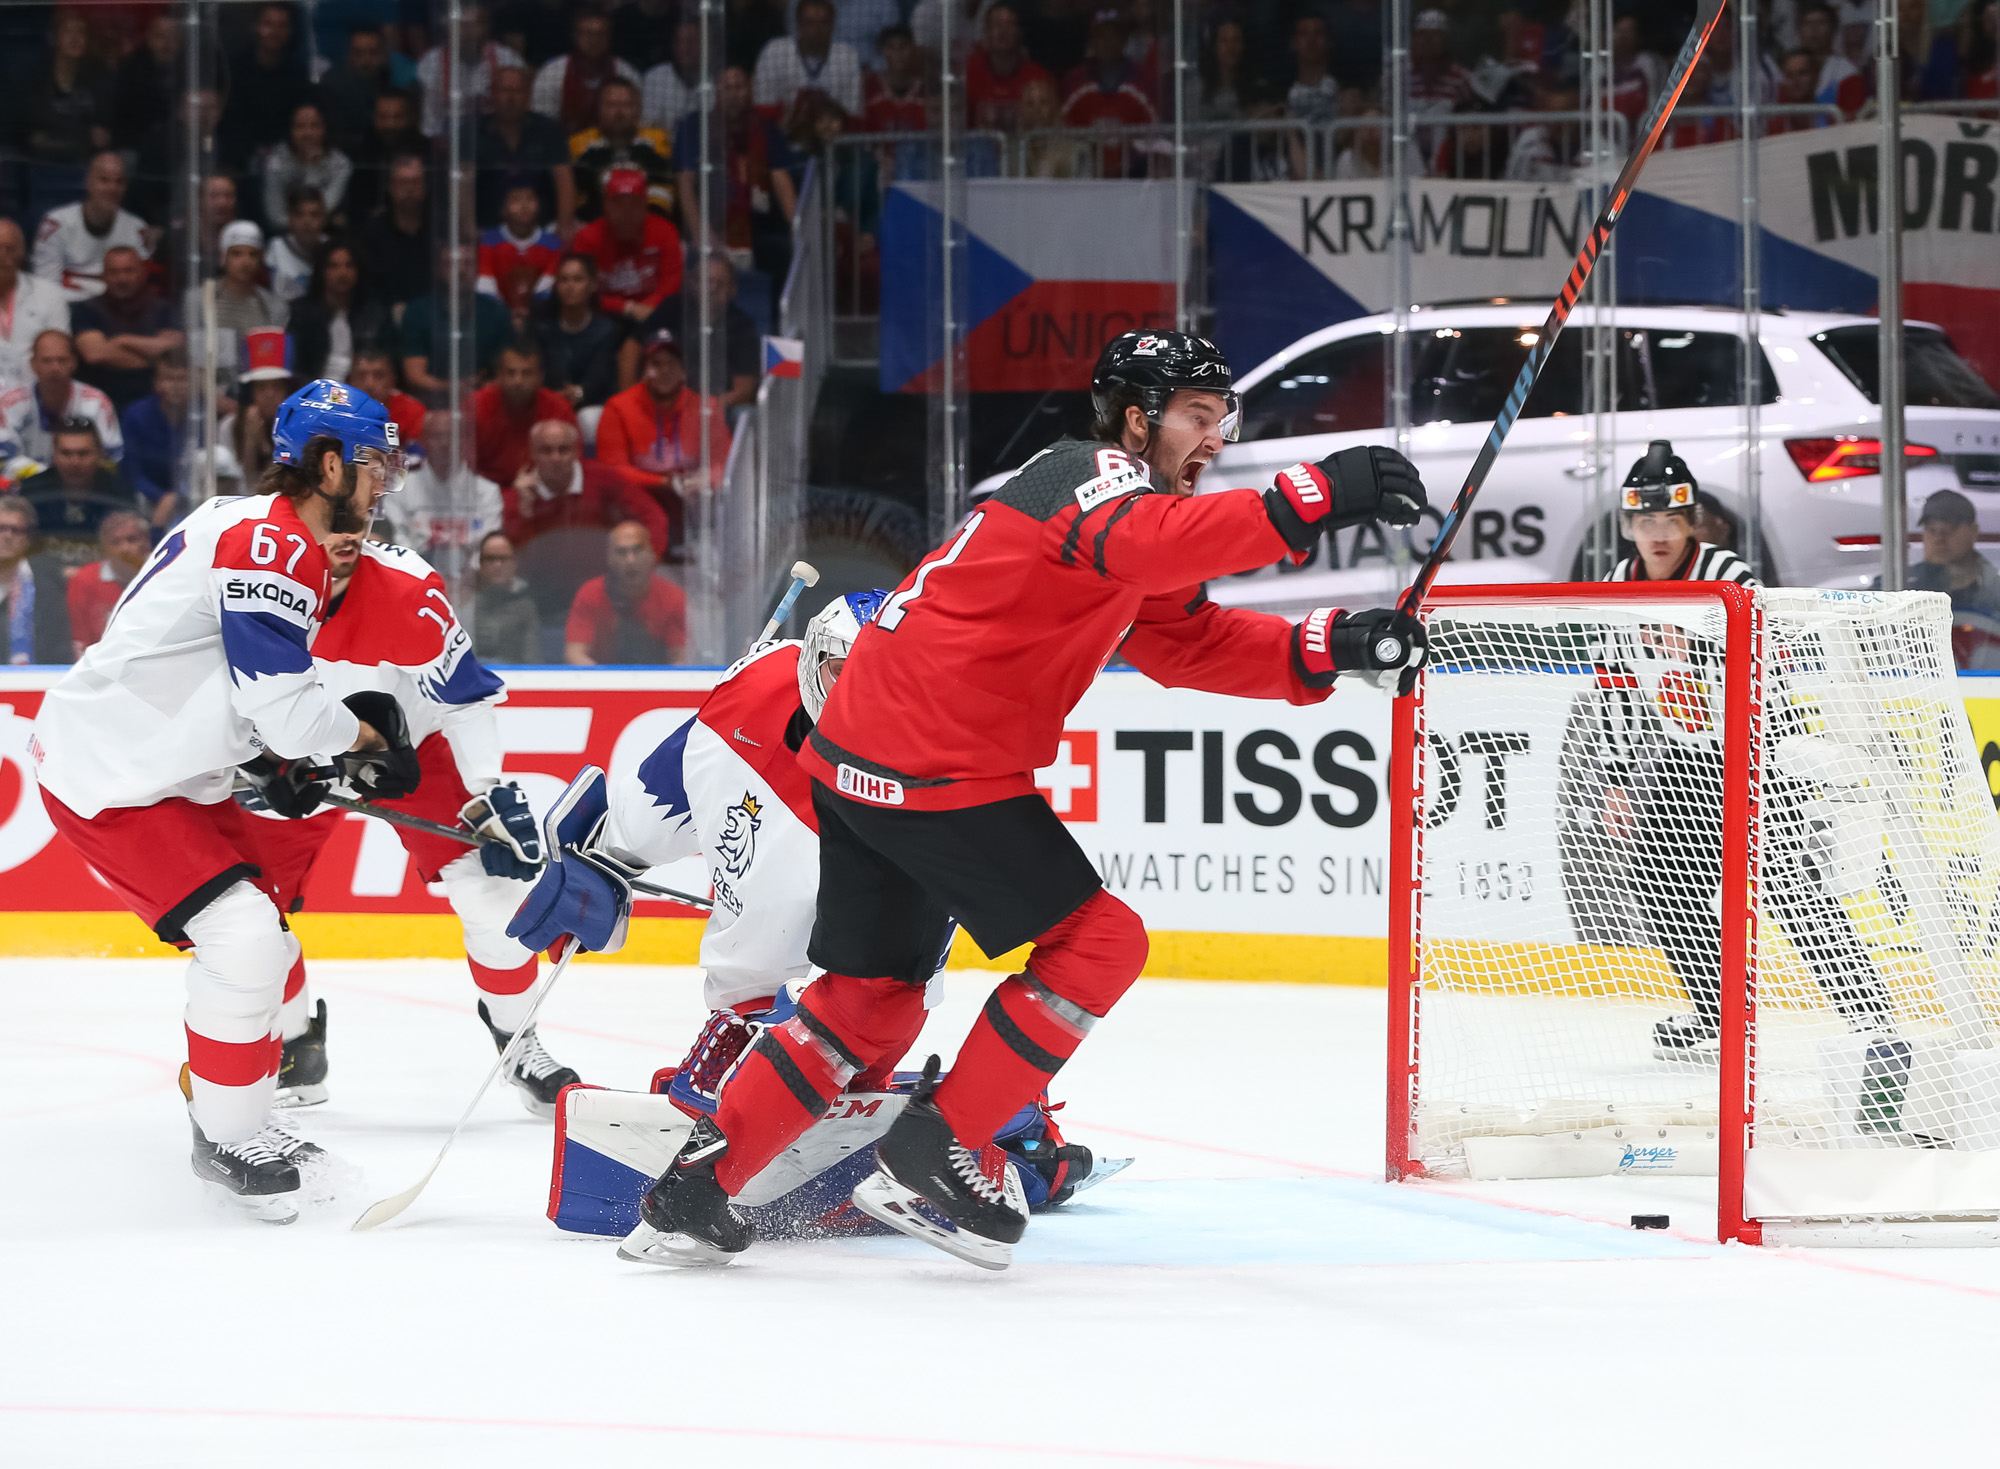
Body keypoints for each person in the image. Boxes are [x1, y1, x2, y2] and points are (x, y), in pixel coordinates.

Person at [603, 329, 1432, 1268]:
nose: (1217, 437)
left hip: (865, 758)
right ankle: (938, 1144)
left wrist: (1327, 646)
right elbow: (1159, 541)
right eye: (1200, 416)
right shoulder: (1088, 476)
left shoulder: (1123, 517)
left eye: (1223, 419)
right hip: (934, 759)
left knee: (867, 1003)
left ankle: (692, 1197)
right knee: (1102, 941)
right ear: (1136, 417)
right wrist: (1320, 493)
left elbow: (1183, 639)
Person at [514, 594, 1113, 1252]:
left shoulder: (934, 738)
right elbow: (667, 783)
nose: (861, 697)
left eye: (884, 678)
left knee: (889, 1003)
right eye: (844, 674)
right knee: (780, 973)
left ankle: (943, 1108)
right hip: (780, 803)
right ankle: (736, 1062)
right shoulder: (754, 691)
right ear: (809, 662)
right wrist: (598, 855)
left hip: (882, 836)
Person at [33, 379, 420, 1218]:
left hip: (161, 765)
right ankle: (227, 1130)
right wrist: (362, 742)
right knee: (242, 935)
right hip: (116, 775)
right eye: (373, 466)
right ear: (327, 464)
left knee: (267, 941)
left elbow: (235, 691)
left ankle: (227, 1107)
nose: (383, 484)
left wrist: (277, 761)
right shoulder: (275, 546)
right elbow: (277, 699)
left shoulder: (252, 526)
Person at [1587, 441, 1905, 1108]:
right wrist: (1617, 776)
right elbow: (1614, 680)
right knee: (1657, 876)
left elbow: (1774, 667)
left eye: (1671, 521)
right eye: (1645, 522)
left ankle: (1874, 1020)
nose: (1658, 534)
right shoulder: (1616, 586)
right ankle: (1716, 1008)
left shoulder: (1732, 574)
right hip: (1685, 760)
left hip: (1756, 756)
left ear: (1692, 521)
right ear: (1627, 526)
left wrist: (1772, 756)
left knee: (1795, 893)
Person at [238, 528, 582, 1117]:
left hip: (407, 751)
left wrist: (486, 789)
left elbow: (464, 696)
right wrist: (252, 759)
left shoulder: (408, 587)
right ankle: (296, 1043)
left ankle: (517, 1042)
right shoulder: (250, 578)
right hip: (295, 761)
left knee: (495, 897)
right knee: (246, 911)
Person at [503, 417, 669, 615]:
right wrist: (525, 512)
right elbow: (509, 562)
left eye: (563, 450)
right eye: (546, 450)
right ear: (533, 454)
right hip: (540, 598)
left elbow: (653, 517)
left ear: (576, 452)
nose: (555, 458)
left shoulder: (603, 479)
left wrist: (648, 560)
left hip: (605, 595)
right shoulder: (519, 497)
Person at [676, 67, 797, 283]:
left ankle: (780, 314)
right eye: (727, 88)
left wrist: (798, 227)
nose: (733, 94)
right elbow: (684, 182)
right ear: (716, 91)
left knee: (786, 250)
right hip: (708, 222)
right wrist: (700, 232)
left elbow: (781, 179)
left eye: (739, 87)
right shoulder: (694, 126)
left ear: (749, 89)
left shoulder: (766, 129)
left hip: (755, 226)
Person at [596, 329, 731, 501]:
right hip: (638, 500)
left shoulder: (706, 407)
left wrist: (706, 479)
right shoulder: (618, 408)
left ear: (684, 371)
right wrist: (664, 482)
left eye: (672, 363)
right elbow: (613, 470)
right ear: (643, 372)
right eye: (656, 364)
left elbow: (724, 462)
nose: (665, 370)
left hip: (695, 501)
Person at [16, 418, 139, 569]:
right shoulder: (32, 491)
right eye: (66, 453)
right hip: (40, 578)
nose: (74, 462)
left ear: (99, 454)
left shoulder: (119, 494)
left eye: (83, 453)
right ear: (54, 454)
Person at [72, 246, 184, 412]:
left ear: (143, 272)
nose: (122, 279)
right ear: (103, 276)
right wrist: (153, 355)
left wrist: (121, 340)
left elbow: (175, 349)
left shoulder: (164, 309)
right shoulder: (86, 309)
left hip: (154, 402)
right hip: (99, 402)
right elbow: (94, 354)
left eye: (129, 271)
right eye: (114, 272)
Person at [399, 244, 517, 398]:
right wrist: (455, 387)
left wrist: (485, 387)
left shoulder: (495, 310)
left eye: (467, 264)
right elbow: (414, 376)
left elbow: (509, 369)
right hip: (432, 402)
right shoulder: (418, 312)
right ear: (439, 269)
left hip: (486, 399)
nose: (460, 271)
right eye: (452, 264)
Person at [391, 408, 507, 564]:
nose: (445, 443)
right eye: (437, 436)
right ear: (422, 440)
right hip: (416, 575)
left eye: (452, 436)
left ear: (464, 442)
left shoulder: (487, 492)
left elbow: (488, 549)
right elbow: (397, 543)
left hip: (473, 581)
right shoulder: (400, 489)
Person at [33, 152, 152, 304]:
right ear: (88, 181)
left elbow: (139, 288)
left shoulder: (137, 229)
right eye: (104, 180)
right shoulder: (56, 223)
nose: (112, 188)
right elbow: (45, 288)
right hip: (68, 310)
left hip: (119, 312)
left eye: (119, 182)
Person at [563, 520, 687, 664]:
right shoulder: (589, 594)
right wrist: (607, 683)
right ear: (610, 559)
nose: (630, 560)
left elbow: (681, 661)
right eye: (622, 552)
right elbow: (574, 654)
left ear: (652, 555)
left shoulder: (674, 598)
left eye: (637, 550)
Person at [570, 170, 686, 323]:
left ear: (644, 204)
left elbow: (671, 285)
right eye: (618, 204)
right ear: (607, 206)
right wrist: (627, 307)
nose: (626, 213)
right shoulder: (587, 238)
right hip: (603, 318)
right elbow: (581, 290)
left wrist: (647, 308)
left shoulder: (665, 232)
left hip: (655, 314)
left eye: (633, 204)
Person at [474, 65, 576, 235]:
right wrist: (468, 227)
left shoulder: (548, 129)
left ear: (528, 96)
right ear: (492, 95)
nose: (511, 98)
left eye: (517, 91)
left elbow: (563, 178)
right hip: (487, 227)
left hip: (542, 228)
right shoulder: (474, 131)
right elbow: (463, 182)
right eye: (504, 91)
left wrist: (564, 225)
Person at [1, 330, 124, 465]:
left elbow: (111, 458)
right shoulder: (9, 403)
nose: (55, 368)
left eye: (62, 360)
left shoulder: (96, 402)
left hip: (82, 483)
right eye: (46, 361)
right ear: (33, 364)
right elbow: (4, 457)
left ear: (74, 363)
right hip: (25, 483)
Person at [218, 2, 312, 171]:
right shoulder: (236, 70)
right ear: (256, 26)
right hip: (242, 157)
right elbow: (231, 120)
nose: (275, 32)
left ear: (290, 31)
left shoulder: (297, 74)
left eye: (281, 25)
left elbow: (299, 118)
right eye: (268, 24)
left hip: (288, 158)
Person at [570, 77, 677, 223]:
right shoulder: (579, 144)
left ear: (637, 110)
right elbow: (579, 202)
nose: (619, 112)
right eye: (611, 105)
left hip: (646, 228)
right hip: (595, 228)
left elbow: (662, 194)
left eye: (627, 105)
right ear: (599, 109)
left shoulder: (657, 140)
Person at [472, 337, 578, 485]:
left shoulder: (559, 410)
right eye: (510, 373)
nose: (518, 381)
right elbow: (462, 470)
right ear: (499, 376)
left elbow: (571, 467)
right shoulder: (475, 406)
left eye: (526, 373)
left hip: (543, 493)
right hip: (485, 496)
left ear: (540, 377)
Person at [288, 240, 393, 383]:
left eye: (349, 266)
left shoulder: (375, 314)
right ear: (321, 271)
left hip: (360, 394)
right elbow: (295, 366)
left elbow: (388, 365)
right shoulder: (302, 313)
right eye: (333, 266)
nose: (342, 273)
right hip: (314, 395)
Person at [416, 3, 527, 138]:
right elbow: (431, 123)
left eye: (475, 25)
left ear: (487, 28)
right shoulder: (431, 63)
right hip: (449, 141)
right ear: (450, 28)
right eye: (462, 25)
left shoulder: (508, 59)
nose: (469, 32)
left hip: (496, 140)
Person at [21, 9, 113, 171]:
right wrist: (84, 134)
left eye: (81, 32)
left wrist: (56, 134)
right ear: (55, 38)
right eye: (68, 31)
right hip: (44, 158)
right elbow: (37, 121)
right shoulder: (37, 74)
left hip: (88, 158)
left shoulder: (98, 74)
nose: (75, 38)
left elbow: (102, 131)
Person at [533, 254, 628, 410]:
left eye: (577, 279)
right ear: (556, 286)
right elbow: (536, 370)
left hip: (590, 404)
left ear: (592, 285)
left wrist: (577, 394)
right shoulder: (542, 327)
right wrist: (553, 397)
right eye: (564, 280)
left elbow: (601, 377)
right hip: (546, 403)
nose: (570, 286)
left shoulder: (606, 330)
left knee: (590, 417)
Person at [668, 255, 759, 413]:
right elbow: (637, 350)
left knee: (743, 412)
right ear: (692, 284)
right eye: (706, 282)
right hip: (674, 405)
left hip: (719, 409)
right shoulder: (673, 312)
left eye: (718, 283)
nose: (711, 289)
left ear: (732, 289)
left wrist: (705, 408)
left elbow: (744, 391)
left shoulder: (742, 326)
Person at [532, 6, 643, 134]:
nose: (594, 40)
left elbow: (638, 124)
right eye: (587, 33)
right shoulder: (551, 74)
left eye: (600, 34)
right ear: (575, 36)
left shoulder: (627, 74)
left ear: (609, 37)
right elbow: (542, 126)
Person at [754, 0, 864, 128]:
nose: (817, 29)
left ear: (833, 25)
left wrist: (833, 119)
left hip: (835, 141)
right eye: (809, 22)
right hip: (782, 138)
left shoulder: (847, 56)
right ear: (798, 24)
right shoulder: (774, 52)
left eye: (823, 22)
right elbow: (762, 109)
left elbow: (854, 115)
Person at [0, 219, 74, 394]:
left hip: (37, 396)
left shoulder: (50, 294)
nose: (2, 255)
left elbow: (59, 353)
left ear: (21, 252)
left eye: (9, 248)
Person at [121, 348, 192, 526]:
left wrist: (179, 497)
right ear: (157, 383)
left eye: (182, 379)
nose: (176, 386)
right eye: (169, 379)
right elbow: (131, 472)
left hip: (192, 499)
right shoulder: (136, 415)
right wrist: (162, 497)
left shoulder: (202, 416)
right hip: (144, 501)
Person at [66, 508, 150, 656]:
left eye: (132, 539)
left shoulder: (162, 575)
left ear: (147, 542)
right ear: (104, 547)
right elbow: (79, 642)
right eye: (115, 542)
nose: (124, 548)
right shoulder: (84, 581)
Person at [217, 329, 295, 491]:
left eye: (276, 386)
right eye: (262, 387)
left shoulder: (297, 426)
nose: (269, 394)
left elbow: (282, 485)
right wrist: (251, 443)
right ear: (250, 392)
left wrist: (268, 446)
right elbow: (243, 487)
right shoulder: (229, 426)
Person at [0, 494, 73, 663]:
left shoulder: (48, 586)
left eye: (16, 530)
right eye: (1, 528)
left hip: (34, 681)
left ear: (27, 539)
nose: (7, 536)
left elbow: (59, 649)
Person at [1905, 489, 2000, 618]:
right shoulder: (1900, 588)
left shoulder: (1995, 593)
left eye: (1949, 527)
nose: (1939, 537)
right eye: (1931, 529)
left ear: (1973, 531)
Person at [358, 155, 434, 309]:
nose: (410, 188)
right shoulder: (371, 233)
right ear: (391, 188)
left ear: (425, 187)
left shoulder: (440, 230)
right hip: (385, 317)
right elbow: (367, 285)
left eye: (416, 181)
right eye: (403, 182)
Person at [260, 103, 353, 230]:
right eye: (300, 126)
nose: (307, 133)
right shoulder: (276, 162)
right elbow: (275, 217)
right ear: (291, 130)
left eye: (314, 126)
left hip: (326, 234)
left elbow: (321, 210)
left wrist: (312, 166)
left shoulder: (340, 164)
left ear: (324, 129)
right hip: (285, 235)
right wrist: (326, 220)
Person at [478, 177, 563, 315]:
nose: (524, 205)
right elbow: (485, 287)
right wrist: (505, 315)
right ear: (504, 207)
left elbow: (548, 288)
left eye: (530, 199)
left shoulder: (552, 243)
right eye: (516, 200)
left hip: (538, 316)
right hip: (498, 315)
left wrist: (530, 312)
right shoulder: (489, 241)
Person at [964, 5, 1051, 133]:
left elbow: (1051, 121)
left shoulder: (1037, 75)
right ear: (986, 33)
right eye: (997, 25)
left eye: (1009, 24)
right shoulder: (969, 72)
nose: (1003, 30)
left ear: (1019, 32)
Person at [195, 222, 289, 339]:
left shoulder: (275, 307)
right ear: (223, 257)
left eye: (253, 254)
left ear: (260, 259)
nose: (245, 262)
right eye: (237, 254)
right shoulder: (197, 300)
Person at [347, 89, 427, 222]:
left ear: (409, 118)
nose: (390, 124)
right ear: (374, 117)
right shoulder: (361, 153)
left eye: (397, 117)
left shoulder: (424, 151)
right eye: (383, 117)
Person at [319, 24, 398, 155]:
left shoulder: (395, 81)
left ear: (384, 53)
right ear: (348, 54)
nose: (366, 60)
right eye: (358, 53)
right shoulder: (331, 86)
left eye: (373, 52)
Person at [471, 531, 542, 662]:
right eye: (490, 559)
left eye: (503, 559)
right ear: (481, 564)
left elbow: (531, 660)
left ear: (514, 562)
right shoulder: (467, 604)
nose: (497, 565)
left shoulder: (526, 607)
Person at [348, 346, 428, 457]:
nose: (369, 384)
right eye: (361, 376)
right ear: (350, 380)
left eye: (378, 375)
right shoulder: (338, 412)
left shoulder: (413, 411)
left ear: (392, 379)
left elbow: (416, 457)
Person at [265, 186, 330, 305]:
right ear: (290, 218)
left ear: (324, 218)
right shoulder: (275, 248)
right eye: (299, 214)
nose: (307, 221)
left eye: (314, 214)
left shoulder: (333, 249)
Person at [641, 19, 703, 133]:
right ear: (673, 45)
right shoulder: (654, 78)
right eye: (681, 42)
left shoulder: (714, 78)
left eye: (692, 41)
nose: (686, 48)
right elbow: (648, 128)